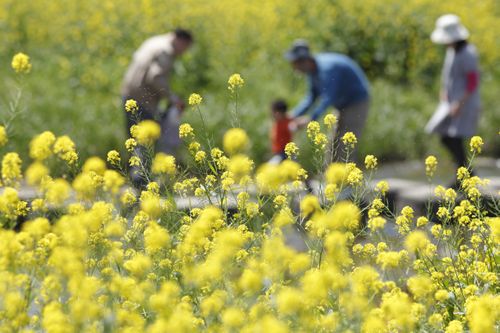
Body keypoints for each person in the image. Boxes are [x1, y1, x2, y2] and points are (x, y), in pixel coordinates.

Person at [121, 28, 193, 186]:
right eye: (185, 48)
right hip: (143, 100)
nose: (183, 52)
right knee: (144, 141)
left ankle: (138, 182)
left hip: (128, 95)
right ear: (181, 41)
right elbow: (155, 76)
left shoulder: (154, 41)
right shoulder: (166, 51)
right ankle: (141, 181)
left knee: (135, 139)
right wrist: (173, 99)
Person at [285, 39, 370, 163]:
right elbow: (311, 97)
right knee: (332, 145)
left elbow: (328, 98)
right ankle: (331, 179)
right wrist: (293, 115)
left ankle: (347, 180)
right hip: (341, 103)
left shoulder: (327, 69)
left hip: (356, 102)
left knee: (345, 147)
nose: (293, 67)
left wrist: (310, 118)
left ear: (304, 61)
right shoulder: (312, 71)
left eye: (295, 63)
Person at [426, 14, 481, 182]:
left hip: (464, 103)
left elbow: (473, 82)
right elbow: (450, 76)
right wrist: (444, 92)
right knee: (445, 136)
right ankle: (466, 172)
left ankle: (465, 175)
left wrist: (459, 102)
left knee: (454, 138)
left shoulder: (468, 53)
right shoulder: (452, 50)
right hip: (451, 103)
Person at [269, 99, 293, 164]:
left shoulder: (287, 123)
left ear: (278, 113)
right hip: (278, 154)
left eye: (273, 112)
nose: (272, 114)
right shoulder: (278, 122)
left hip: (283, 155)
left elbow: (293, 126)